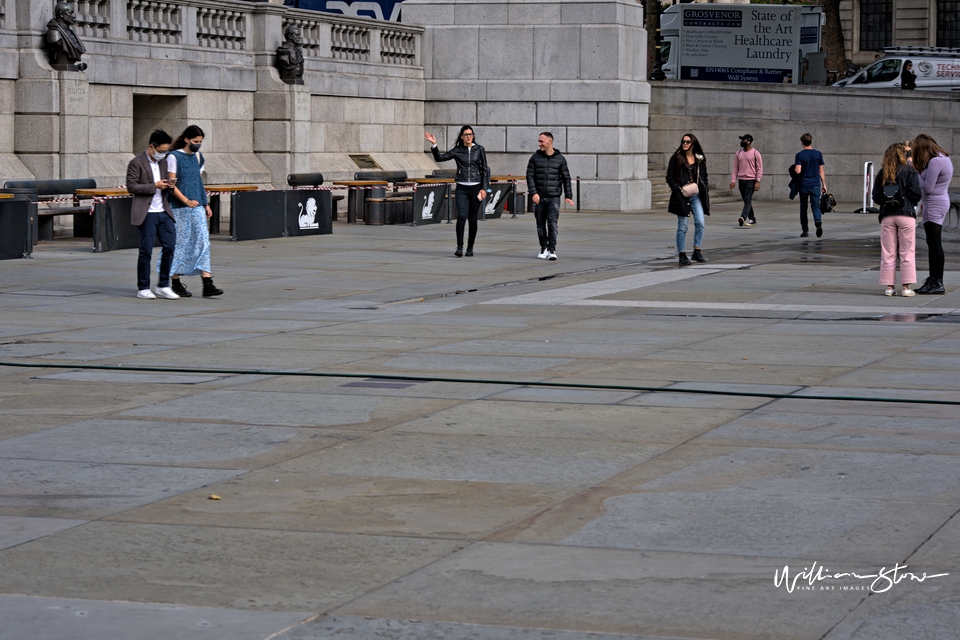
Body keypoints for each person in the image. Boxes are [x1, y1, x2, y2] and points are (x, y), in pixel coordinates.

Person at [166, 125, 223, 297]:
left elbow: (198, 182)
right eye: (195, 141)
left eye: (200, 142)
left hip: (197, 206)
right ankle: (174, 281)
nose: (198, 144)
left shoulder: (198, 157)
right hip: (179, 207)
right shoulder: (174, 157)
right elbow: (171, 185)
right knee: (180, 244)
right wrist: (185, 200)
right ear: (186, 140)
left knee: (203, 242)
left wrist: (205, 203)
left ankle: (207, 282)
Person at [126, 129, 178, 300]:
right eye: (161, 151)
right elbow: (131, 187)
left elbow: (164, 184)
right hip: (146, 212)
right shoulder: (136, 162)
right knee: (146, 250)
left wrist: (169, 185)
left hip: (163, 210)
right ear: (151, 147)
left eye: (166, 151)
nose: (163, 155)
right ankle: (143, 287)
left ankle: (163, 284)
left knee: (170, 246)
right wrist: (154, 185)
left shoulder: (163, 163)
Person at [425, 126, 490, 257]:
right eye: (466, 134)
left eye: (470, 134)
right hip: (462, 187)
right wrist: (434, 144)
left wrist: (484, 188)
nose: (468, 136)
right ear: (461, 136)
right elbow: (440, 158)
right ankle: (460, 246)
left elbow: (485, 170)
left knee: (472, 219)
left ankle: (470, 247)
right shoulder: (458, 150)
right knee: (461, 216)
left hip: (476, 187)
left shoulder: (479, 149)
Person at [872, 143, 921, 297]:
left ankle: (889, 287)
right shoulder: (909, 171)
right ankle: (906, 287)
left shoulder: (882, 173)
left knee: (888, 252)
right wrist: (907, 200)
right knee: (907, 252)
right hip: (905, 214)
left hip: (887, 215)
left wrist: (888, 201)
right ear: (902, 155)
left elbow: (876, 196)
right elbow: (916, 194)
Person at [912, 134, 953, 295]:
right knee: (933, 243)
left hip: (935, 203)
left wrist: (916, 173)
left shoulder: (936, 162)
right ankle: (933, 279)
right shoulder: (943, 158)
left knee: (934, 243)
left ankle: (937, 281)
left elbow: (928, 187)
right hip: (936, 202)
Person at [526, 132, 575, 260]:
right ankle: (543, 248)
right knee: (540, 224)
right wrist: (533, 193)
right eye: (539, 141)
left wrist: (568, 195)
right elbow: (529, 176)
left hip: (554, 197)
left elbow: (566, 178)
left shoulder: (560, 159)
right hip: (539, 197)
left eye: (541, 141)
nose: (539, 144)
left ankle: (552, 249)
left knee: (552, 223)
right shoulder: (535, 158)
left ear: (550, 141)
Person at [666, 133, 710, 265]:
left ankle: (697, 250)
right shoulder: (677, 158)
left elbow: (704, 176)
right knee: (683, 226)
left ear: (693, 144)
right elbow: (669, 177)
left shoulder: (699, 159)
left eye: (688, 141)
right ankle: (682, 253)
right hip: (681, 196)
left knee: (700, 222)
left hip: (695, 195)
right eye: (683, 141)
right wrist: (677, 190)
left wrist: (705, 188)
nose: (685, 143)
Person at [794, 132, 827, 238]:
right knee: (816, 206)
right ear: (811, 141)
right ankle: (818, 222)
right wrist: (824, 184)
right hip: (815, 184)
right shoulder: (818, 154)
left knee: (803, 207)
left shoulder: (799, 155)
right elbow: (821, 171)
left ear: (802, 142)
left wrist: (795, 168)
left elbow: (798, 171)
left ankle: (805, 230)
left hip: (804, 184)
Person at [729, 133, 763, 227]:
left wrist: (758, 181)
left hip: (751, 180)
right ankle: (752, 219)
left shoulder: (756, 153)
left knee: (747, 199)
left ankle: (743, 217)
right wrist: (733, 180)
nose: (742, 142)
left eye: (743, 140)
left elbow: (759, 168)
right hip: (741, 180)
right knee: (746, 201)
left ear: (749, 141)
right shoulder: (738, 153)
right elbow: (735, 168)